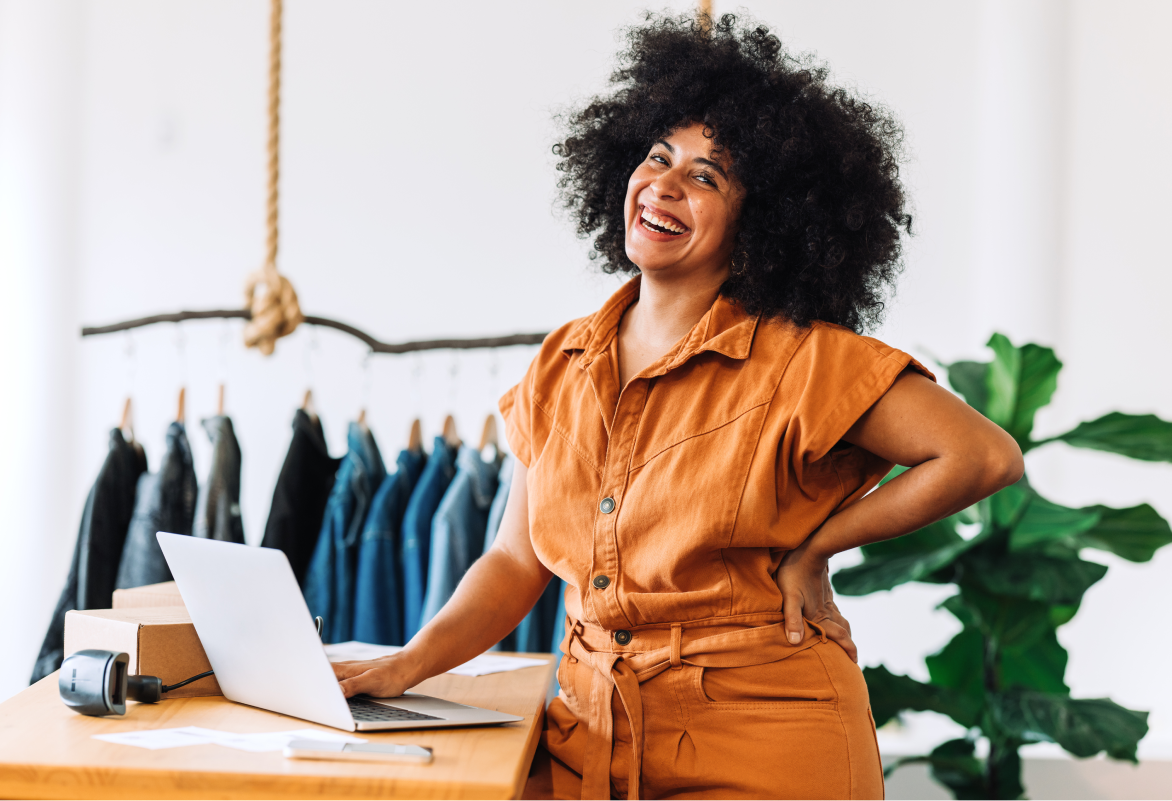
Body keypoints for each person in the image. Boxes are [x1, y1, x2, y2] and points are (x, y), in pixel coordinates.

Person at [332, 13, 1023, 800]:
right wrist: (402, 665)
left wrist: (818, 544)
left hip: (766, 741)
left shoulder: (804, 359)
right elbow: (514, 561)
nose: (663, 183)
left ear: (760, 224)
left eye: (707, 176)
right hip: (592, 730)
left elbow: (982, 455)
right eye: (658, 156)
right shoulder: (563, 360)